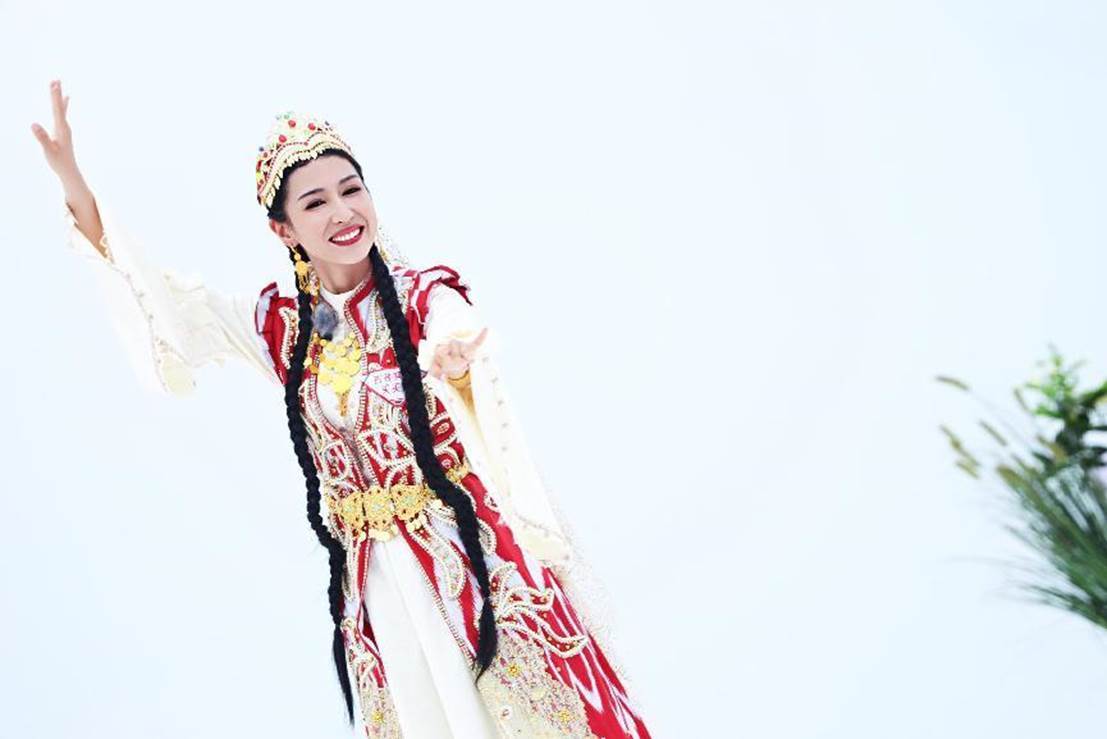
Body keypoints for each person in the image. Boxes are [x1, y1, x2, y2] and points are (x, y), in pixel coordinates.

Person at [33, 79, 653, 739]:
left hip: (468, 564)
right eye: (316, 201)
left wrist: (453, 363)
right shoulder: (281, 324)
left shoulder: (423, 298)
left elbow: (459, 335)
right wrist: (75, 184)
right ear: (283, 229)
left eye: (351, 190)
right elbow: (164, 304)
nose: (342, 211)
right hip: (378, 587)